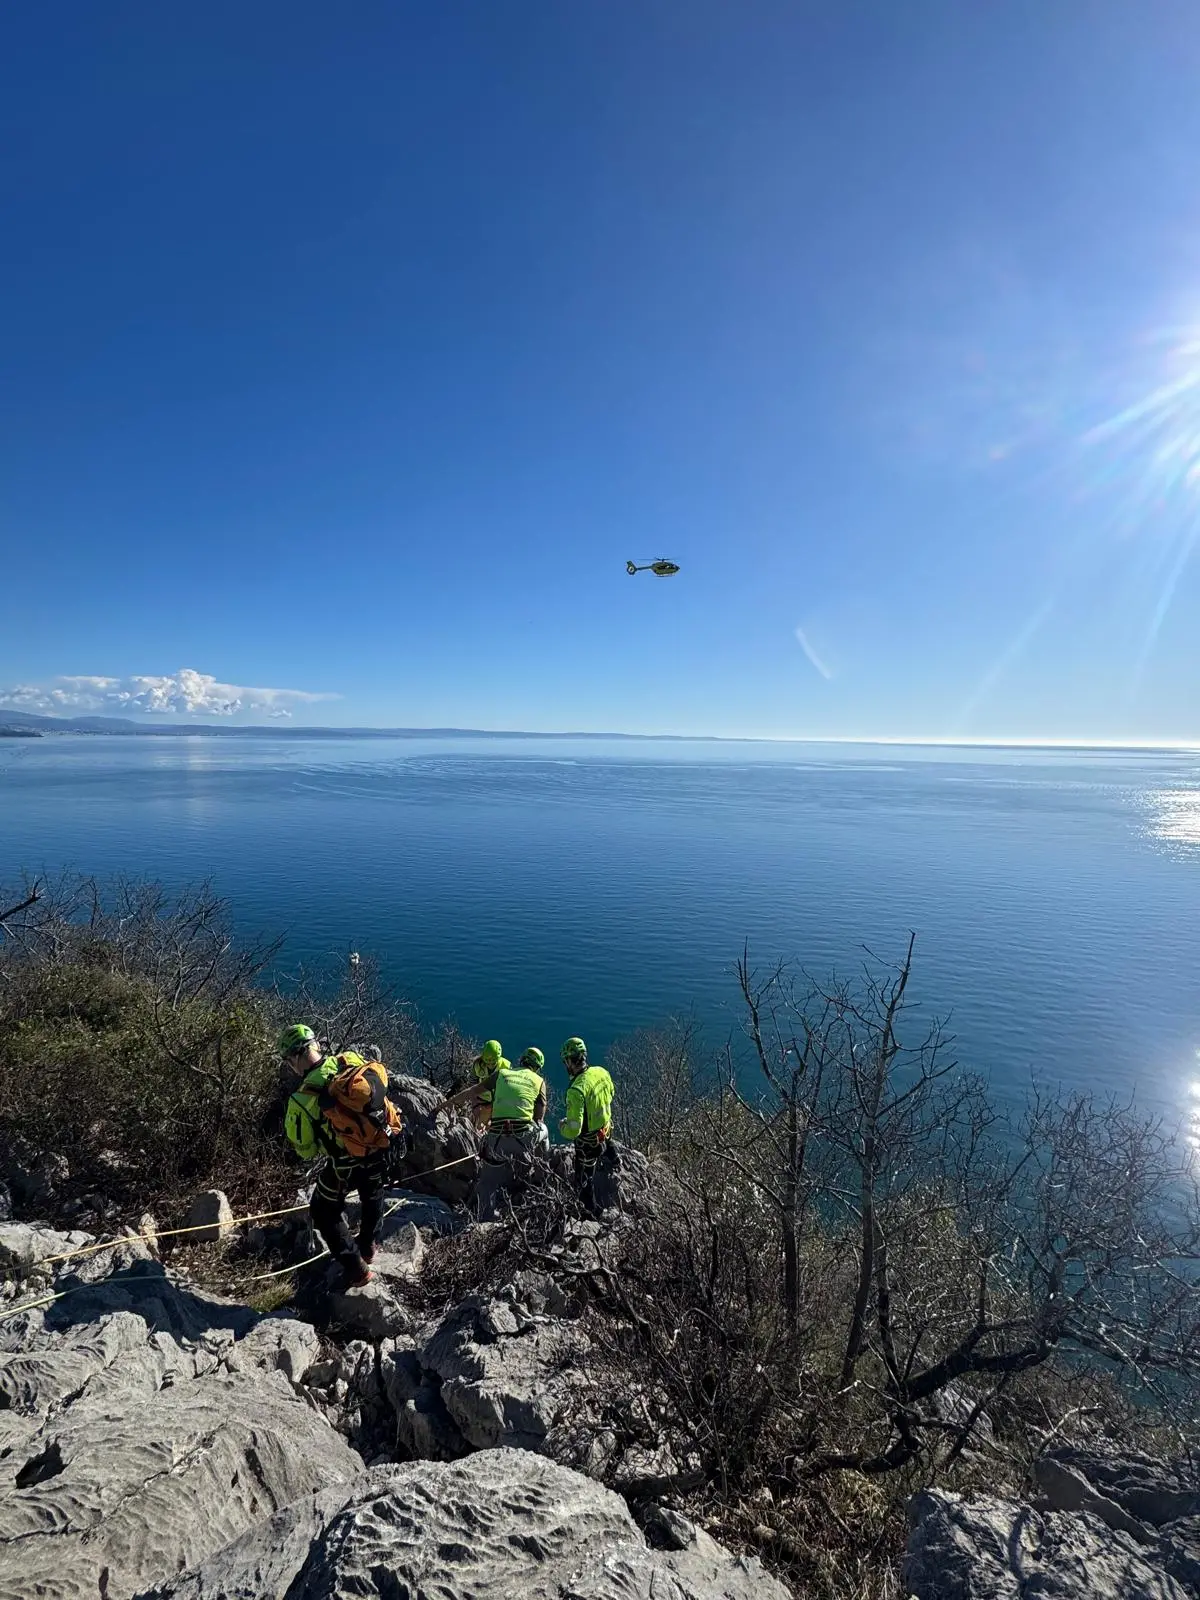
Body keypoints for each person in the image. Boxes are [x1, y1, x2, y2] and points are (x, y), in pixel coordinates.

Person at [280, 1023, 402, 1289]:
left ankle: (356, 1269)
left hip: (344, 1164)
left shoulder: (301, 1100)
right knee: (373, 1193)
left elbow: (306, 1149)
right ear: (315, 1045)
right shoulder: (350, 1060)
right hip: (380, 1146)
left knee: (323, 1210)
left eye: (288, 1060)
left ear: (295, 1058)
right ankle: (368, 1246)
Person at [455, 1046, 548, 1219]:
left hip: (496, 1140)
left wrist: (446, 1104)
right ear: (537, 1067)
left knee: (488, 1181)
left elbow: (473, 1091)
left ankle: (485, 1217)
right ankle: (540, 1175)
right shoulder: (538, 1081)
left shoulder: (502, 1074)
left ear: (522, 1061)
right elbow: (539, 1118)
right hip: (522, 1141)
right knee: (544, 1130)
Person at [558, 1036, 617, 1214]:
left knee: (584, 1178)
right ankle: (614, 1160)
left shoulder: (576, 1089)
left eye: (565, 1061)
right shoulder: (601, 1072)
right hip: (606, 1129)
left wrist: (563, 1126)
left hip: (589, 1143)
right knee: (607, 1145)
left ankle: (589, 1212)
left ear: (569, 1061)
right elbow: (611, 1093)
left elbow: (574, 1130)